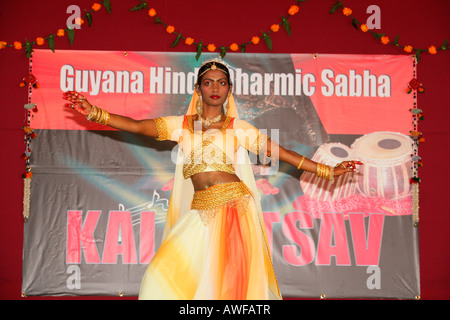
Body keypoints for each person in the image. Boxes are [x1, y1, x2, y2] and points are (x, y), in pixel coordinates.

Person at [63, 58, 361, 300]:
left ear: (229, 89)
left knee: (227, 289)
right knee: (161, 273)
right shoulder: (181, 126)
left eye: (221, 82)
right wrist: (95, 113)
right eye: (208, 82)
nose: (215, 88)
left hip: (234, 206)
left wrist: (328, 171)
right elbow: (138, 127)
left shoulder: (238, 128)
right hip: (201, 209)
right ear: (199, 88)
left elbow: (283, 153)